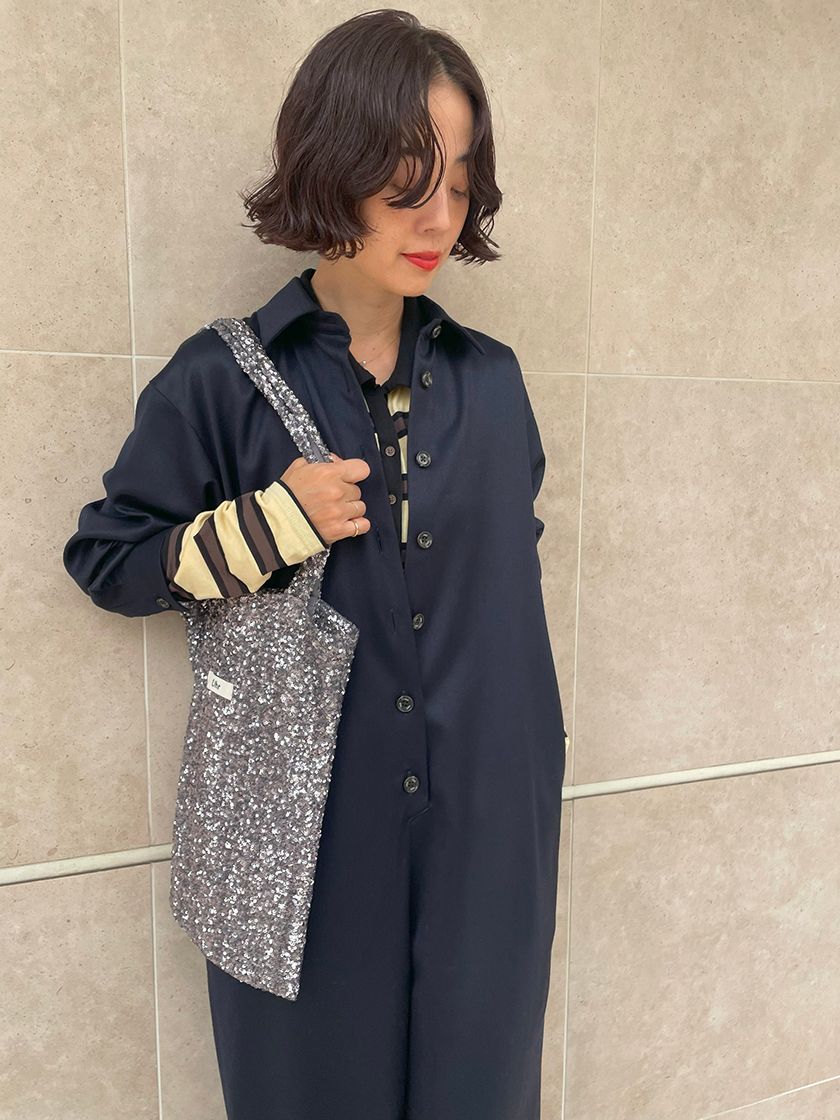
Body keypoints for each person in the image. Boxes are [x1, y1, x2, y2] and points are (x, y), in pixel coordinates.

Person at [63, 9, 568, 1119]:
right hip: (300, 844)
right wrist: (271, 525)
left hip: (489, 832)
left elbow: (503, 595)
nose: (440, 218)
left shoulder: (494, 383)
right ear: (334, 168)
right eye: (407, 182)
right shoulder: (221, 380)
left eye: (460, 183)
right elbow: (107, 558)